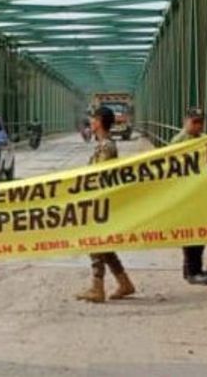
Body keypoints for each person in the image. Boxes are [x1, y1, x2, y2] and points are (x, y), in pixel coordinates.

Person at [76, 107, 136, 303]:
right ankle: (124, 283)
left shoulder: (107, 147)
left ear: (99, 121)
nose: (91, 122)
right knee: (104, 244)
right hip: (100, 200)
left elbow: (99, 174)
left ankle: (97, 287)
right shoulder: (103, 145)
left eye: (93, 119)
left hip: (101, 202)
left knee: (95, 241)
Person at [170, 107, 207, 285]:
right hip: (186, 194)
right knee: (192, 233)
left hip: (199, 193)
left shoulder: (203, 139)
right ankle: (193, 272)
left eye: (200, 122)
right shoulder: (179, 141)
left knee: (200, 232)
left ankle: (191, 269)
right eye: (194, 122)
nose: (198, 125)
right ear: (185, 121)